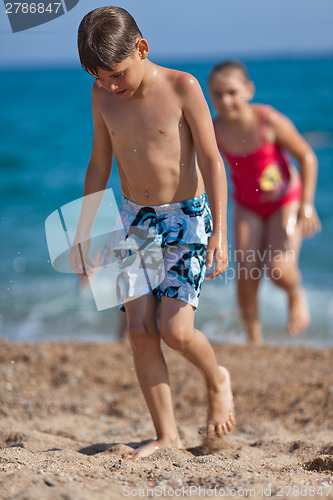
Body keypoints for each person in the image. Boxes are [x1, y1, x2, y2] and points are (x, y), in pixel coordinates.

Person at [69, 6, 235, 459]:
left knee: (176, 332)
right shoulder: (101, 97)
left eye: (117, 74)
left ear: (142, 49)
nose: (110, 86)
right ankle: (168, 435)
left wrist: (219, 232)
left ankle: (216, 377)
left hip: (187, 218)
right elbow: (99, 164)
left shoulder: (184, 87)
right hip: (133, 220)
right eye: (100, 78)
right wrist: (84, 234)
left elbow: (211, 159)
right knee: (139, 332)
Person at [208, 60, 321, 345]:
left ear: (249, 90)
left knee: (279, 270)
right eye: (218, 95)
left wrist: (307, 204)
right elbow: (205, 166)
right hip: (247, 205)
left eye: (232, 92)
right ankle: (254, 340)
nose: (225, 100)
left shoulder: (267, 121)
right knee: (245, 274)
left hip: (286, 200)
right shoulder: (215, 130)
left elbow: (307, 157)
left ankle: (296, 294)